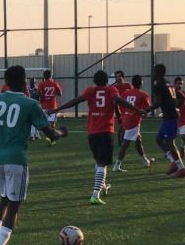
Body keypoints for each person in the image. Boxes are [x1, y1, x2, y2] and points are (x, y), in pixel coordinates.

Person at [0, 65, 67, 245]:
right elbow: (49, 132)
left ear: (6, 82)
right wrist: (62, 133)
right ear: (24, 82)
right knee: (14, 204)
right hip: (16, 159)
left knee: (4, 198)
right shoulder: (29, 103)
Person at [48, 70, 137, 205]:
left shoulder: (90, 90)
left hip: (92, 133)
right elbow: (117, 100)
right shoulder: (110, 90)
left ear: (94, 81)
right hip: (105, 131)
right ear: (106, 80)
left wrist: (57, 109)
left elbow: (76, 101)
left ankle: (103, 185)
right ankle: (95, 194)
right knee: (102, 163)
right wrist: (135, 109)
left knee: (99, 161)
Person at [145, 64, 185, 178]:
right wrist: (176, 107)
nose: (152, 74)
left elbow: (158, 102)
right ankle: (173, 162)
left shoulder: (159, 85)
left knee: (170, 142)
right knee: (159, 140)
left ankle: (182, 168)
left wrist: (147, 109)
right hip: (169, 117)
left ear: (158, 73)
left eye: (154, 71)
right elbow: (182, 98)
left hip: (170, 117)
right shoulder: (168, 83)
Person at [114, 75, 152, 172]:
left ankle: (144, 160)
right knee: (126, 144)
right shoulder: (143, 95)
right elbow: (148, 108)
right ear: (141, 83)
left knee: (138, 140)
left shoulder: (126, 93)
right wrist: (144, 112)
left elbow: (119, 102)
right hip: (134, 120)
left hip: (126, 118)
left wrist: (120, 115)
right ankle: (117, 165)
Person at [36, 70, 63, 145]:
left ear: (44, 76)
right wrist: (53, 93)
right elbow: (60, 94)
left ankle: (50, 138)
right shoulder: (55, 83)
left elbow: (38, 94)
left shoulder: (41, 84)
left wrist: (42, 95)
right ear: (50, 76)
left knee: (45, 123)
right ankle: (51, 139)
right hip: (52, 106)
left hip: (44, 106)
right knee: (52, 124)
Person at [109, 70, 132, 147]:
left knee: (126, 126)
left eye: (119, 76)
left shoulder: (128, 85)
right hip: (119, 110)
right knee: (122, 125)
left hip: (128, 109)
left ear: (123, 77)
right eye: (116, 77)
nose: (118, 78)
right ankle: (120, 139)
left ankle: (123, 139)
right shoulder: (114, 87)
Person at [174, 76, 185, 158]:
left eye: (181, 84)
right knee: (171, 137)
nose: (180, 85)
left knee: (183, 136)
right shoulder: (171, 94)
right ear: (174, 84)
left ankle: (182, 147)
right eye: (178, 84)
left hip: (184, 117)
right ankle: (171, 151)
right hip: (174, 118)